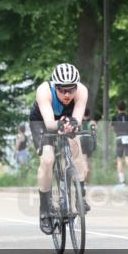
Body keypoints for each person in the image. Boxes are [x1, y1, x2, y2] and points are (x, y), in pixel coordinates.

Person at [29, 63, 89, 234]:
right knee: (48, 159)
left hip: (66, 120)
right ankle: (45, 209)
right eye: (62, 90)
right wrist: (62, 125)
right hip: (42, 121)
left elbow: (76, 118)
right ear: (55, 86)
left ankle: (80, 196)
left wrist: (73, 126)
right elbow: (49, 122)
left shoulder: (82, 91)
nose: (67, 95)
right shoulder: (44, 90)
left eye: (71, 90)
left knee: (76, 148)